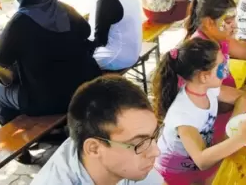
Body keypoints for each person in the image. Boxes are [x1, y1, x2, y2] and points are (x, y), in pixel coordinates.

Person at [0, 0, 101, 126]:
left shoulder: (19, 21)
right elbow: (86, 31)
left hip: (48, 101)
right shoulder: (65, 9)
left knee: (0, 93)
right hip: (84, 87)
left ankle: (17, 142)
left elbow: (1, 58)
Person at [152, 39, 246, 185]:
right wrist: (240, 137)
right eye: (222, 67)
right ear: (204, 76)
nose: (226, 72)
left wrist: (231, 129)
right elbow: (202, 161)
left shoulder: (207, 89)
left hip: (203, 155)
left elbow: (243, 96)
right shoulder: (183, 114)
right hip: (177, 174)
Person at [32, 76, 164, 184]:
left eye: (154, 135)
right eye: (139, 143)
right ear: (94, 148)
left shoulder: (129, 162)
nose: (156, 152)